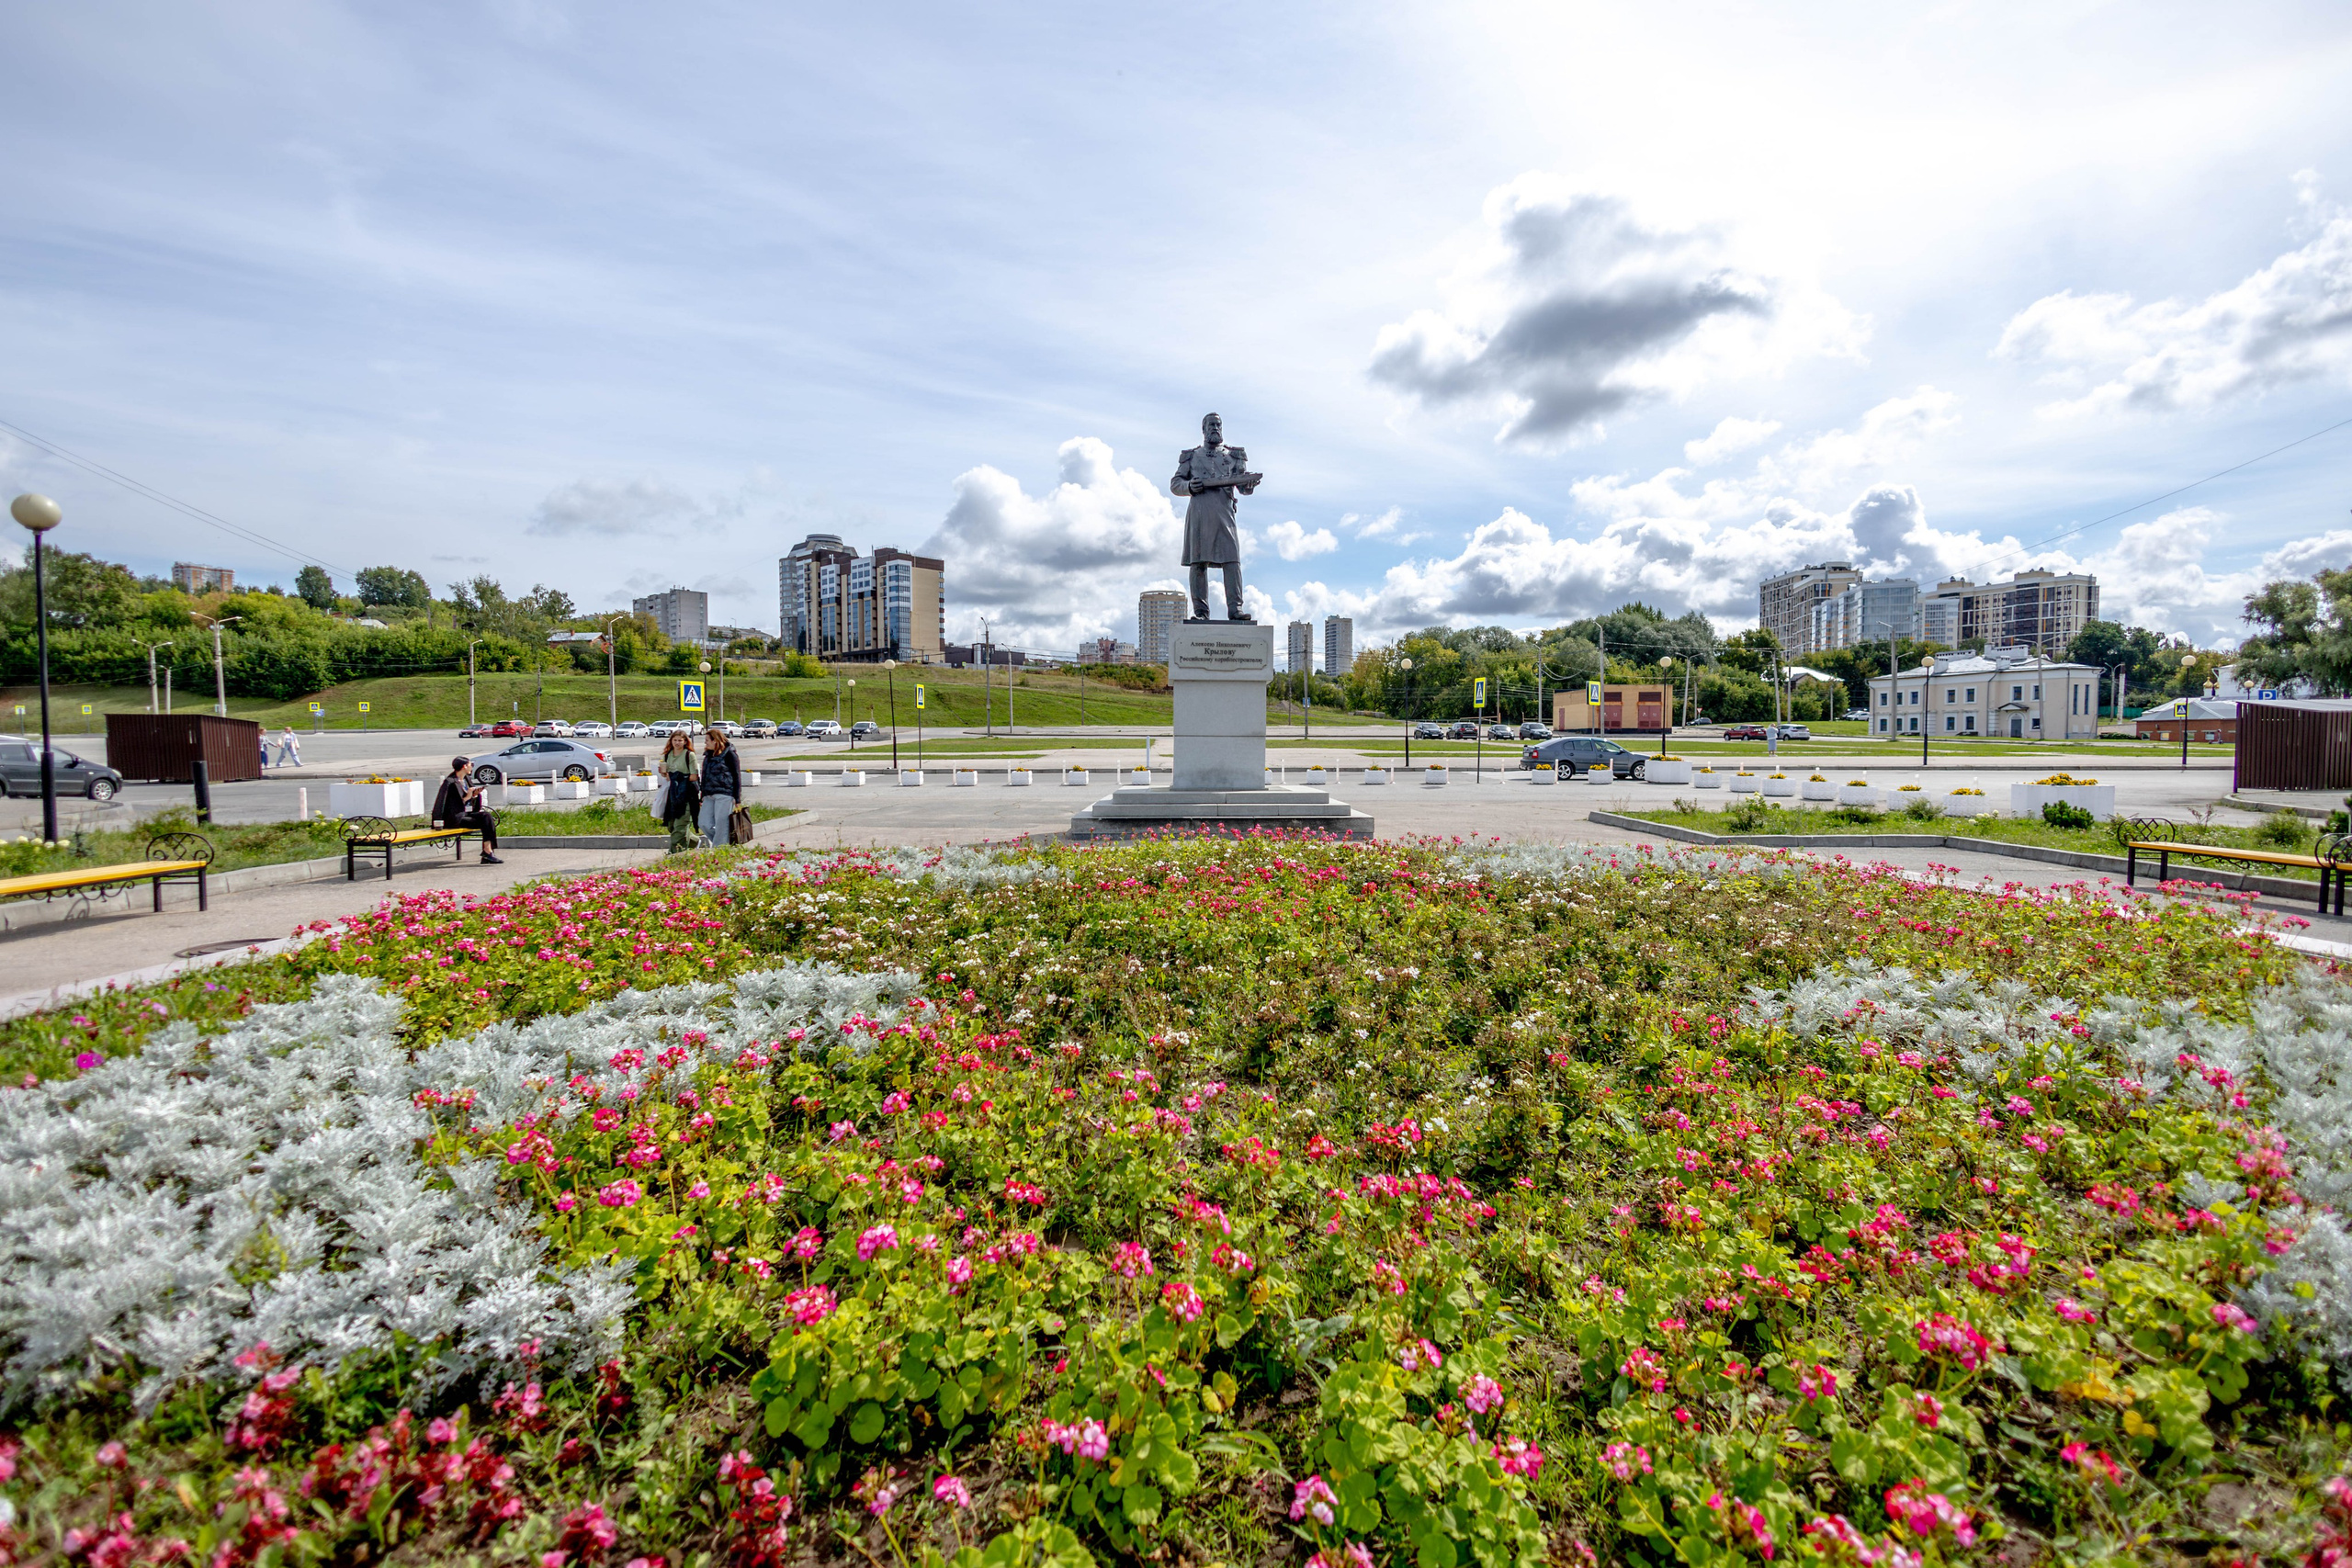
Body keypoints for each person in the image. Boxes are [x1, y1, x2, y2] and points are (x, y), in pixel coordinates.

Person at [432, 756, 503, 864]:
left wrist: (475, 795)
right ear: (464, 766)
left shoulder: (466, 780)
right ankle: (487, 853)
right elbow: (441, 802)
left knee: (486, 816)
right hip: (455, 818)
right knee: (486, 821)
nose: (472, 767)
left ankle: (487, 851)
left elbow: (470, 800)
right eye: (471, 765)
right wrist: (467, 797)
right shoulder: (450, 782)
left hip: (466, 814)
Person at [698, 724, 744, 849]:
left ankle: (719, 849)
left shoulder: (730, 754)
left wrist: (737, 798)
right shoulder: (708, 755)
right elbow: (704, 775)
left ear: (715, 740)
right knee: (703, 823)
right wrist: (702, 795)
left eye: (707, 741)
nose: (705, 743)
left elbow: (736, 776)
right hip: (708, 794)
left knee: (721, 824)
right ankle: (725, 843)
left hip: (725, 794)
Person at [658, 731, 700, 852]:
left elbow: (694, 776)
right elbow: (666, 776)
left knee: (680, 828)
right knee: (672, 827)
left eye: (680, 740)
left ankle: (674, 855)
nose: (677, 743)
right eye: (675, 740)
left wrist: (679, 777)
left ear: (685, 742)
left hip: (687, 795)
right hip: (673, 795)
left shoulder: (689, 755)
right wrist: (663, 772)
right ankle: (694, 841)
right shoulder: (667, 755)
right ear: (671, 741)